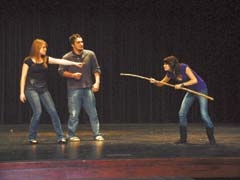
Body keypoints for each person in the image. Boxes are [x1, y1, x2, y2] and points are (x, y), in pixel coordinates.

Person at [20, 38, 83, 144]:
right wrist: (21, 92)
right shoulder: (28, 61)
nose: (45, 49)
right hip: (31, 89)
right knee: (38, 112)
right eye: (43, 47)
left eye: (46, 47)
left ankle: (60, 136)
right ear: (37, 48)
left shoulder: (46, 59)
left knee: (53, 112)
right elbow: (23, 77)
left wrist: (74, 64)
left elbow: (60, 61)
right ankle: (32, 136)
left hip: (43, 89)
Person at [150, 55, 216, 144]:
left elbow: (194, 80)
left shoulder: (183, 67)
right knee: (182, 113)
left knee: (204, 114)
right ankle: (183, 139)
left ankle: (212, 139)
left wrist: (182, 85)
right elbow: (161, 84)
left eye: (166, 64)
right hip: (191, 91)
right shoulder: (170, 73)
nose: (163, 65)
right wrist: (155, 82)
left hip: (201, 89)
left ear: (171, 64)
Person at [58, 33, 104, 142]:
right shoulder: (67, 57)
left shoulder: (90, 54)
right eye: (78, 42)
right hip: (74, 88)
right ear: (72, 45)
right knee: (74, 113)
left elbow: (96, 70)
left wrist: (97, 83)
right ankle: (71, 134)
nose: (81, 44)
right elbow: (60, 71)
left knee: (93, 112)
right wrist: (72, 75)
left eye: (82, 41)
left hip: (88, 87)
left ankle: (97, 133)